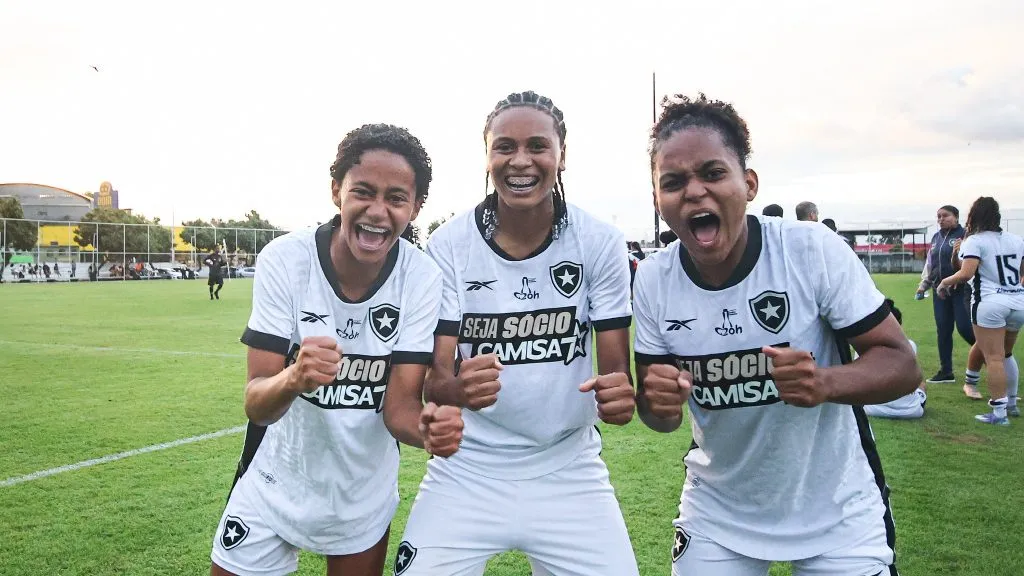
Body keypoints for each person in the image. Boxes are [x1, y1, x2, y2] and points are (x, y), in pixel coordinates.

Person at [633, 93, 920, 575]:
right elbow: (659, 416)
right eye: (674, 182)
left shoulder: (810, 251)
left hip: (838, 510)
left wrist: (825, 383)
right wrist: (656, 403)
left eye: (712, 173)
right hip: (719, 513)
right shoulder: (654, 278)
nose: (694, 191)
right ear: (659, 200)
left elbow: (902, 364)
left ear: (748, 184)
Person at [395, 91, 639, 576]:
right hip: (467, 469)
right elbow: (434, 380)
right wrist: (458, 389)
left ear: (561, 155)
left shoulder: (599, 241)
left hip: (568, 467)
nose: (520, 160)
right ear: (486, 156)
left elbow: (616, 377)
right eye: (504, 146)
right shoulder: (449, 245)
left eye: (537, 146)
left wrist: (619, 395)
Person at [209, 124, 464, 576]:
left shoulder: (421, 278)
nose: (377, 212)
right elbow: (256, 404)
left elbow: (399, 408)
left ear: (416, 206)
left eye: (396, 198)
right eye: (363, 192)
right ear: (336, 191)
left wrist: (428, 430)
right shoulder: (285, 259)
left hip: (360, 494)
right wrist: (294, 377)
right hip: (272, 481)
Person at [938, 196, 1024, 425]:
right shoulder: (1017, 240)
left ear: (973, 215)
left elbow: (965, 274)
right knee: (1006, 355)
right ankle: (1012, 403)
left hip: (989, 302)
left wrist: (944, 282)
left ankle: (998, 413)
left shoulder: (974, 241)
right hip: (1017, 302)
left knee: (994, 358)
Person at [917, 205, 975, 384]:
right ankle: (946, 371)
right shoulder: (936, 238)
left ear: (956, 217)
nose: (941, 219)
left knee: (965, 328)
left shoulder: (966, 236)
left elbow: (970, 264)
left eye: (945, 216)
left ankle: (992, 357)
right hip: (939, 292)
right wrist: (923, 286)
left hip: (961, 290)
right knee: (943, 330)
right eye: (938, 216)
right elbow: (930, 265)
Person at [864, 299, 928, 419]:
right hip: (910, 411)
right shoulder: (910, 345)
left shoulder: (863, 346)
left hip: (872, 408)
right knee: (921, 384)